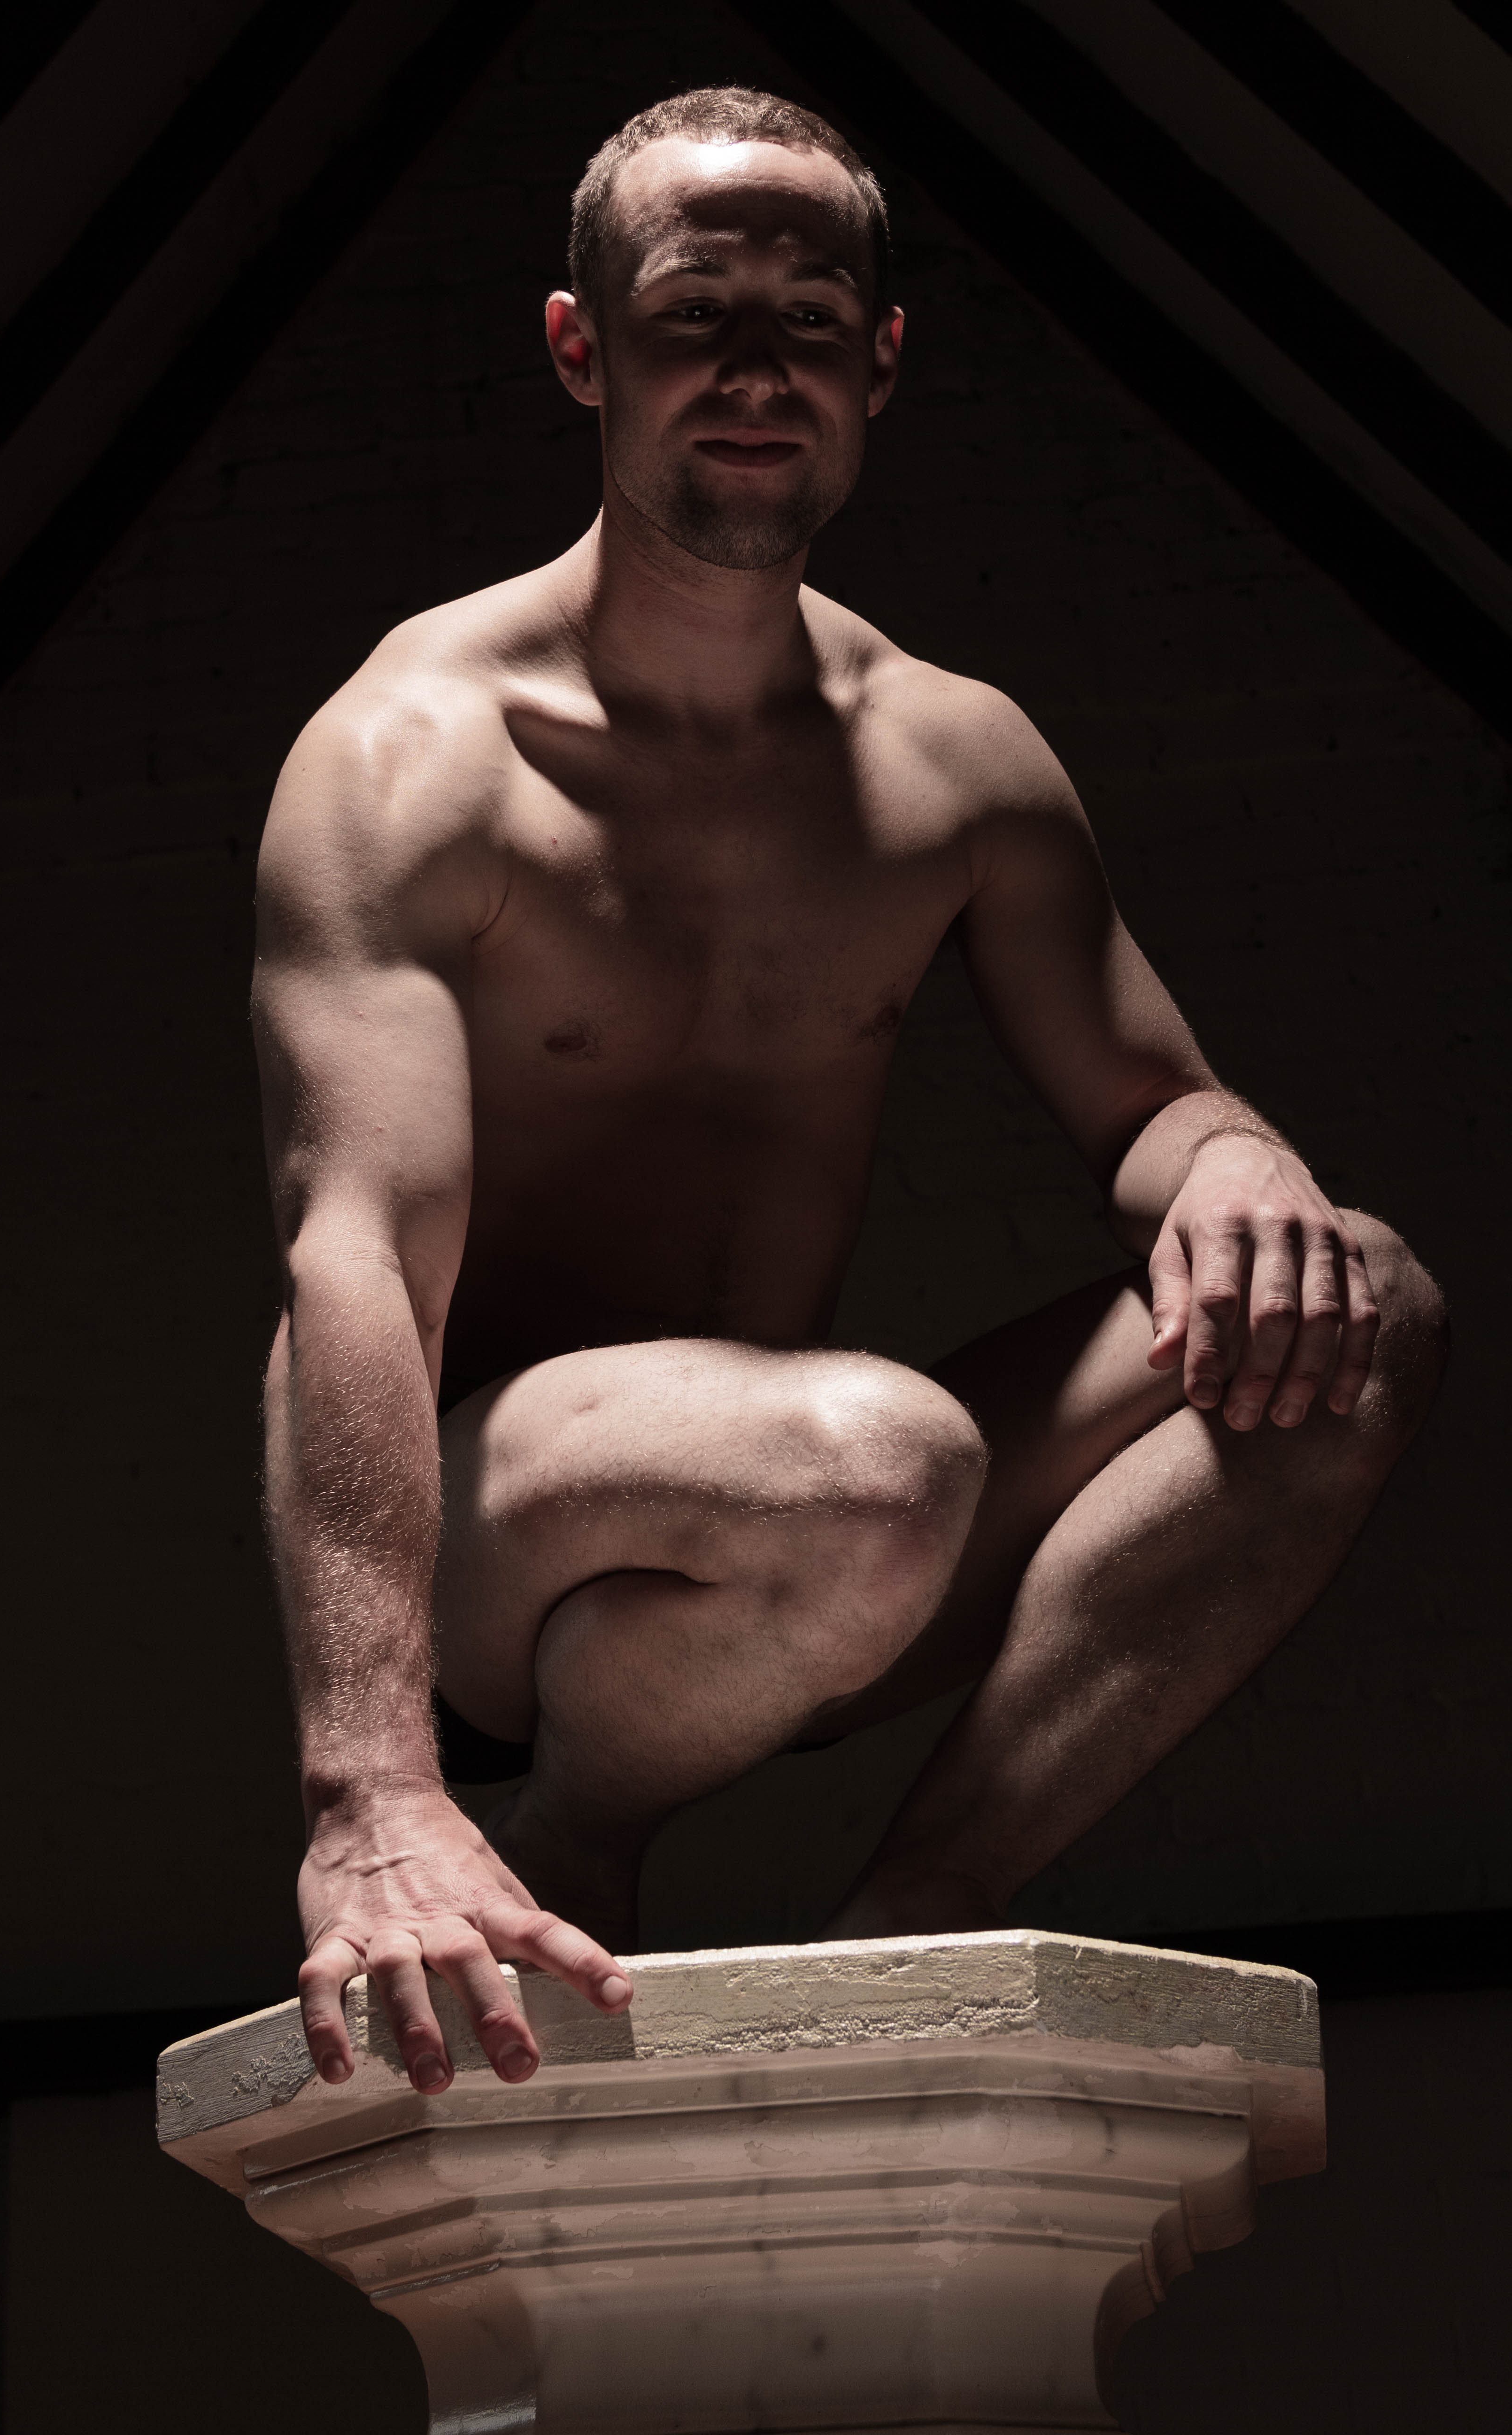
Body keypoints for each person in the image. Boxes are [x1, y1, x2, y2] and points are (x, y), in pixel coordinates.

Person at [252, 88, 1446, 2101]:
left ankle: (906, 1918)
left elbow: (1155, 1109)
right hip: (489, 1536)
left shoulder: (956, 760)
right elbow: (354, 1253)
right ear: (584, 350)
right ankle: (560, 1829)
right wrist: (365, 1786)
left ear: (879, 362)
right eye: (693, 310)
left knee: (1363, 1307)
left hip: (840, 1538)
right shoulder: (416, 758)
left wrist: (1235, 1162)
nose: (754, 367)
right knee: (879, 1456)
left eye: (807, 318)